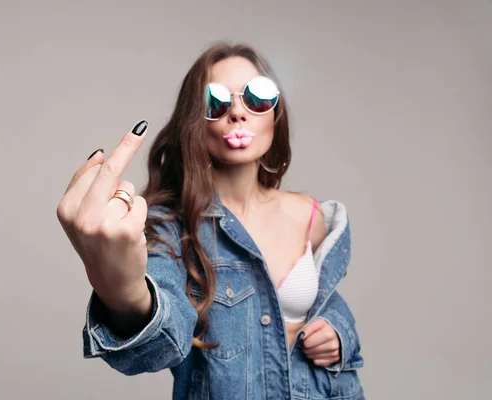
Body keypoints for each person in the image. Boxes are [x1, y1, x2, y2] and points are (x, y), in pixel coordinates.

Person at [57, 43, 364, 399]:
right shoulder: (170, 226)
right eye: (216, 102)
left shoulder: (310, 214)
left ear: (275, 115)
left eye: (257, 96)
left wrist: (338, 331)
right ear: (193, 122)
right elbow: (162, 341)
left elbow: (325, 301)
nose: (237, 112)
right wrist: (122, 291)